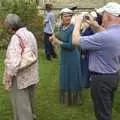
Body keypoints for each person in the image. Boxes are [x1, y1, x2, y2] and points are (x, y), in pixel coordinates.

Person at [72, 2, 120, 120]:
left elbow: (76, 41)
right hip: (112, 76)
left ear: (108, 16)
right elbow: (104, 33)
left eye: (102, 15)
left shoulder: (105, 37)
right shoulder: (115, 32)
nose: (101, 18)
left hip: (101, 80)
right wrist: (93, 24)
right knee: (106, 108)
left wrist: (78, 23)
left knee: (102, 115)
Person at [3, 14, 39, 120]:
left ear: (10, 27)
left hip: (20, 77)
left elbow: (13, 63)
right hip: (32, 74)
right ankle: (32, 116)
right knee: (30, 99)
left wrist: (8, 78)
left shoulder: (16, 38)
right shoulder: (30, 33)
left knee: (21, 105)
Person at [50, 8, 83, 105]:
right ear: (61, 17)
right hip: (64, 56)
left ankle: (74, 100)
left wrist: (58, 42)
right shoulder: (61, 27)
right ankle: (66, 98)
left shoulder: (73, 29)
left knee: (72, 76)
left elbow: (71, 46)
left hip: (72, 56)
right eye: (65, 16)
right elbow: (61, 35)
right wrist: (54, 36)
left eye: (69, 16)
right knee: (65, 75)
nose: (67, 18)